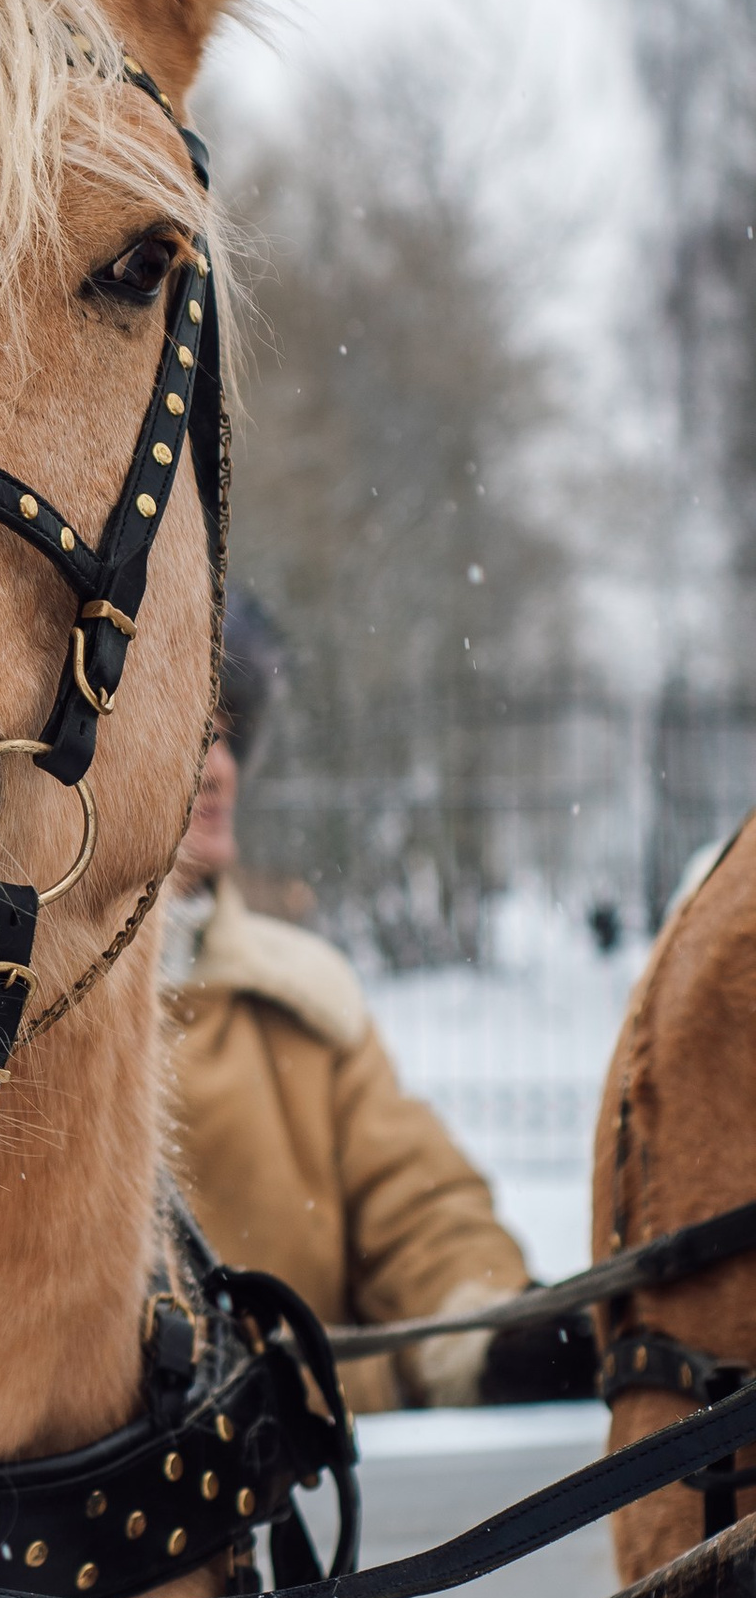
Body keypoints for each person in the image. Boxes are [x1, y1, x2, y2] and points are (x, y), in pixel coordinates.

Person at [162, 601, 534, 1413]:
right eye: (184, 730)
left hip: (306, 1499)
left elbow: (418, 1211)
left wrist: (489, 1334)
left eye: (230, 736)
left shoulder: (305, 1001)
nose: (220, 768)